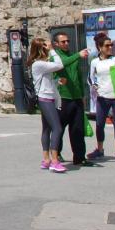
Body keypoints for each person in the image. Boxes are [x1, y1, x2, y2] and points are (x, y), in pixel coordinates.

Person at [87, 32, 115, 164]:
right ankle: (99, 149)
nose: (110, 47)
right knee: (99, 124)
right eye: (107, 45)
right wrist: (94, 86)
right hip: (103, 97)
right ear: (100, 47)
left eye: (111, 45)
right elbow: (89, 78)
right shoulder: (95, 62)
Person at [50, 32, 93, 167]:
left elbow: (78, 75)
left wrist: (82, 94)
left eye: (68, 41)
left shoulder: (72, 56)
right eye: (63, 42)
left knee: (77, 129)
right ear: (56, 44)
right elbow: (62, 64)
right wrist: (78, 55)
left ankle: (79, 157)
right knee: (59, 128)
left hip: (76, 97)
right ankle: (57, 154)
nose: (67, 43)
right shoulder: (55, 57)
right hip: (63, 97)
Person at [28, 37, 67, 173]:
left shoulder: (41, 64)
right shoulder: (38, 64)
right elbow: (59, 64)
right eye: (45, 47)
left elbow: (46, 81)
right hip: (45, 99)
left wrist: (57, 82)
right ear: (41, 49)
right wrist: (53, 51)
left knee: (47, 129)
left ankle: (46, 160)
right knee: (57, 128)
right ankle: (55, 161)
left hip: (47, 97)